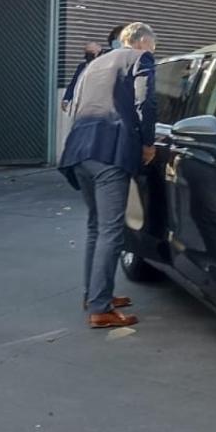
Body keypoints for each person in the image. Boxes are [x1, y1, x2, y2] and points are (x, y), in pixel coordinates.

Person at [60, 22, 157, 329]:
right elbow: (146, 102)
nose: (153, 52)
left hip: (80, 150)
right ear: (142, 42)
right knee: (111, 231)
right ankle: (100, 308)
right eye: (153, 46)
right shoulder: (140, 59)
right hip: (111, 151)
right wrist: (147, 143)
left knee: (95, 226)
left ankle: (95, 294)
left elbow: (74, 105)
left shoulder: (95, 63)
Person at [61, 41, 101, 111]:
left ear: (98, 52)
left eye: (91, 52)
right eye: (86, 52)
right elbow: (73, 83)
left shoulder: (102, 67)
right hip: (77, 104)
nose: (88, 54)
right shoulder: (81, 66)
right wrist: (66, 99)